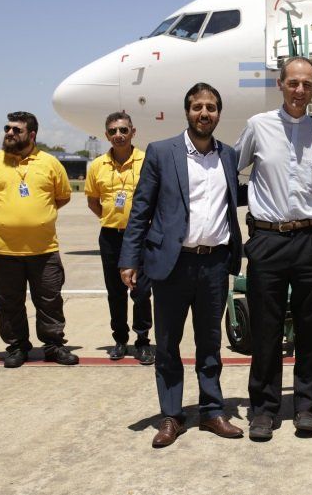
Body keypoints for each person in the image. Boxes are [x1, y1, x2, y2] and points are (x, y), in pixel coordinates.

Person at [118, 83, 244, 448]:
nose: (204, 113)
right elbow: (141, 209)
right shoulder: (161, 152)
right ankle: (171, 416)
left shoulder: (229, 155)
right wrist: (129, 259)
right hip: (172, 264)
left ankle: (212, 411)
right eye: (197, 107)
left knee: (210, 342)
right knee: (168, 344)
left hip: (215, 263)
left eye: (211, 107)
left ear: (218, 113)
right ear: (187, 112)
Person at [235, 57, 312, 441]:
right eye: (293, 83)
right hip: (269, 239)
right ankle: (264, 409)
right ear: (280, 84)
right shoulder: (258, 126)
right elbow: (232, 170)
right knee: (266, 329)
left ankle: (307, 405)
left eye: (307, 84)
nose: (299, 90)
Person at [0, 112, 78, 368]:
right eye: (7, 128)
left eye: (16, 130)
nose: (9, 133)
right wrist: (1, 216)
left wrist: (37, 216)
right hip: (2, 249)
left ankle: (53, 346)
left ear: (32, 135)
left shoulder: (50, 163)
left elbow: (62, 196)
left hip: (44, 249)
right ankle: (17, 347)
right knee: (9, 302)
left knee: (50, 300)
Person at [85, 112, 154, 364]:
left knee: (141, 291)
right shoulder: (97, 166)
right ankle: (120, 339)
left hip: (141, 237)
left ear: (133, 132)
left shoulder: (147, 161)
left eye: (124, 130)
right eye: (113, 131)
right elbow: (93, 201)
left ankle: (143, 340)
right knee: (115, 292)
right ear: (106, 135)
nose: (119, 135)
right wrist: (113, 220)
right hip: (111, 237)